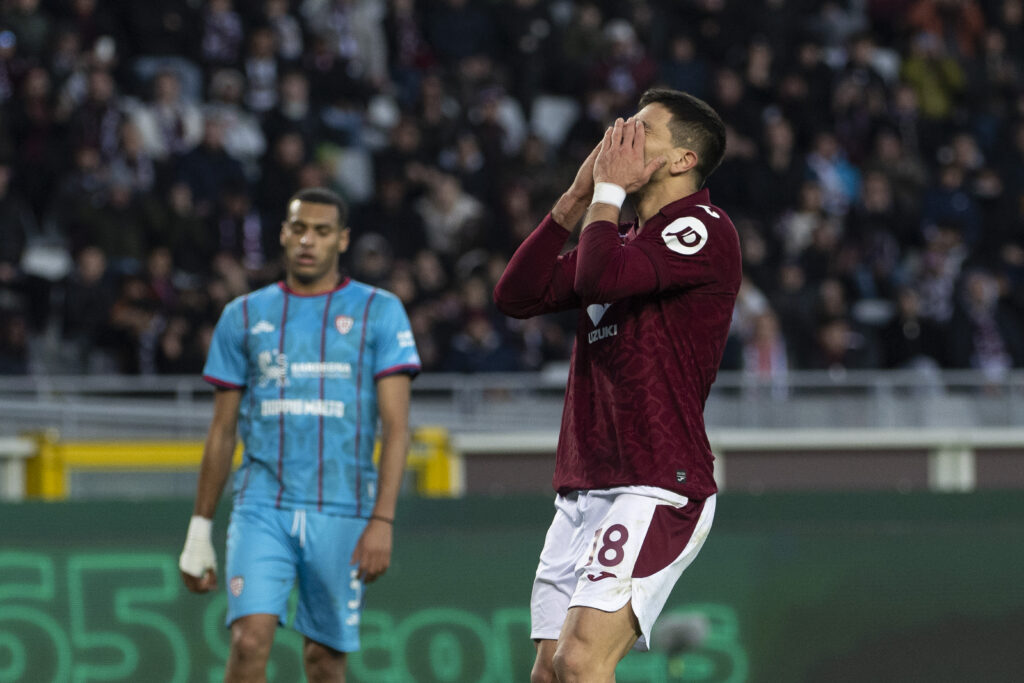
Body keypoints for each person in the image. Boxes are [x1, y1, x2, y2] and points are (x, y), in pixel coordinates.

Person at [494, 88, 740, 682]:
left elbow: (601, 278)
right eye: (619, 130)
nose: (617, 143)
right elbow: (516, 295)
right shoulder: (621, 235)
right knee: (550, 673)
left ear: (682, 160)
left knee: (581, 660)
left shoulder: (702, 228)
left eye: (640, 134)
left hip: (656, 480)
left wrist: (605, 194)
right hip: (587, 483)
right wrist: (581, 194)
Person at [178, 187, 421, 682]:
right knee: (249, 642)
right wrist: (199, 529)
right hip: (261, 505)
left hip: (345, 509)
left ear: (343, 239)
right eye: (299, 228)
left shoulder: (381, 311)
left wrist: (383, 520)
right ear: (284, 235)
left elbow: (396, 429)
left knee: (324, 661)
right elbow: (222, 432)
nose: (309, 240)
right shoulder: (242, 316)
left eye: (322, 231)